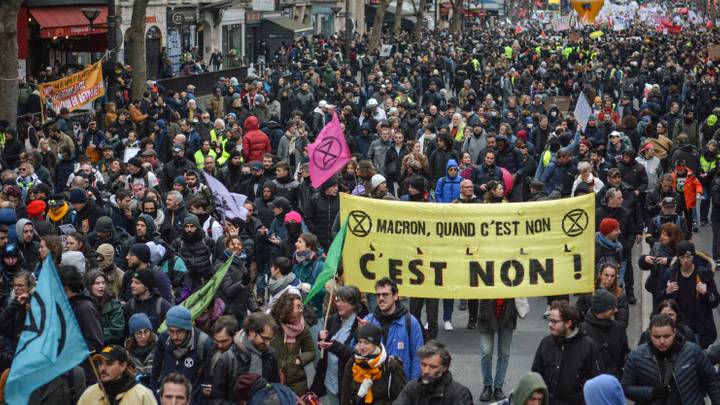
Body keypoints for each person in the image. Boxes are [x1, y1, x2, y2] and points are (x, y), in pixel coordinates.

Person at [622, 313, 720, 404]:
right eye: (656, 337)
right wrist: (651, 392)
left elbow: (712, 380)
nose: (662, 341)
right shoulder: (636, 356)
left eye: (666, 336)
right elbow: (626, 388)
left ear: (674, 333)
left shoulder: (692, 351)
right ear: (650, 333)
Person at [531, 300, 602, 404]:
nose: (550, 324)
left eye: (554, 321)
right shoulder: (546, 343)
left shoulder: (588, 346)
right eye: (549, 320)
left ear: (568, 323)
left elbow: (596, 382)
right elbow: (536, 375)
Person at [656, 240, 719, 348]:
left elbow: (715, 301)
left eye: (688, 257)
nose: (685, 260)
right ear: (678, 258)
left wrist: (705, 293)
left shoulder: (704, 275)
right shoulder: (671, 274)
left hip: (700, 330)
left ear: (693, 257)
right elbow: (658, 297)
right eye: (682, 257)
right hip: (679, 329)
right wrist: (667, 291)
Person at [312, 285, 367, 404]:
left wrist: (333, 346)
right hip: (330, 381)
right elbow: (322, 349)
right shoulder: (331, 320)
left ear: (353, 304)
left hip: (347, 384)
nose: (339, 304)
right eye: (338, 300)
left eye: (344, 301)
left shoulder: (360, 325)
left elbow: (357, 355)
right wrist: (321, 338)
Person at [151, 305, 215, 404]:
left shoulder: (204, 344)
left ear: (188, 329)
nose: (175, 336)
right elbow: (155, 372)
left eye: (179, 331)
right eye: (171, 331)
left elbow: (208, 381)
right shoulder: (164, 339)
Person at [364, 277, 424, 380]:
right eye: (378, 295)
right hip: (375, 386)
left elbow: (417, 357)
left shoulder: (410, 322)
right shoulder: (368, 321)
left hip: (401, 386)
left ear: (395, 296)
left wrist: (413, 387)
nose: (381, 298)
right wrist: (359, 333)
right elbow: (358, 354)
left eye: (385, 294)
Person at [339, 322, 407, 404]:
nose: (362, 347)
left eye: (366, 343)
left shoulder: (390, 365)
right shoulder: (353, 362)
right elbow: (345, 394)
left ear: (376, 345)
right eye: (360, 342)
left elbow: (402, 397)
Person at [392, 340, 473, 405]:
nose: (426, 371)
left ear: (444, 368)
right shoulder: (411, 388)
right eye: (423, 365)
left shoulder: (460, 394)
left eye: (433, 367)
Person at [269, 292, 316, 395]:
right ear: (287, 310)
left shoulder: (303, 328)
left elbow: (311, 351)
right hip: (273, 377)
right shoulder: (271, 324)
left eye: (301, 306)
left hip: (296, 380)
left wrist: (299, 360)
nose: (301, 310)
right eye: (298, 307)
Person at [77, 345, 157, 404]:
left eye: (109, 364)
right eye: (100, 363)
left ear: (123, 366)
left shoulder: (142, 394)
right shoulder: (89, 393)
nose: (102, 368)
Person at [477, 296, 519, 401]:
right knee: (486, 351)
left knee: (504, 353)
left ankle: (498, 387)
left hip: (508, 311)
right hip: (487, 310)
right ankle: (487, 385)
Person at [580, 289, 629, 379]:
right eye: (612, 308)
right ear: (602, 309)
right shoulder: (583, 331)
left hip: (616, 379)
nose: (616, 310)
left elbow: (625, 352)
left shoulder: (618, 328)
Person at [86, 269, 125, 345]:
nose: (101, 286)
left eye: (103, 283)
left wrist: (93, 334)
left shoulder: (114, 304)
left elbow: (117, 331)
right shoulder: (85, 304)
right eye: (97, 283)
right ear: (90, 286)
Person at [125, 313, 157, 388]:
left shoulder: (159, 348)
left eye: (146, 332)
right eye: (138, 333)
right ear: (133, 335)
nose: (143, 336)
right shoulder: (127, 353)